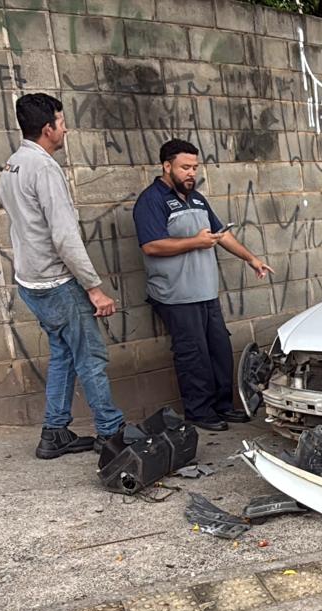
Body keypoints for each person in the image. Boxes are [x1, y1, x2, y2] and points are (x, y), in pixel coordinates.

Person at [0, 93, 126, 460]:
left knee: (63, 355)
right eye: (61, 121)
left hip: (30, 281)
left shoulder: (12, 165)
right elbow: (65, 237)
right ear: (47, 129)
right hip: (56, 282)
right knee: (91, 357)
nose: (65, 127)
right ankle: (110, 431)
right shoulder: (44, 169)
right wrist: (94, 288)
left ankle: (54, 432)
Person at [133, 139, 274, 432]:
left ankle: (222, 407)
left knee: (219, 350)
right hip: (175, 295)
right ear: (166, 166)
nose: (190, 173)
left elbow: (220, 235)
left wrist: (252, 259)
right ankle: (199, 412)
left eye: (194, 167)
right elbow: (151, 246)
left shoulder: (196, 198)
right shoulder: (152, 200)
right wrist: (195, 242)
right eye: (185, 167)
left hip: (205, 291)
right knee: (192, 355)